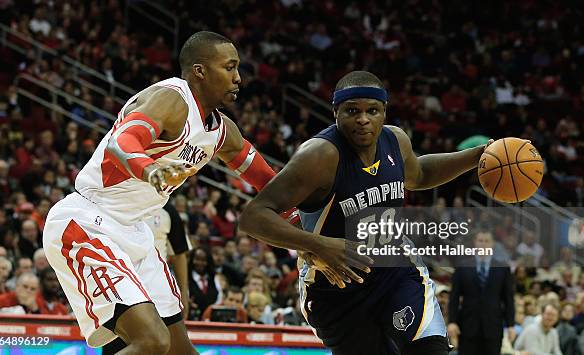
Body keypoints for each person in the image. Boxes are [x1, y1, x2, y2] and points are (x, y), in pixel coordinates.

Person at [43, 31, 297, 354]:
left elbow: (268, 181)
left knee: (179, 351)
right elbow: (121, 142)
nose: (238, 78)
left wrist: (303, 224)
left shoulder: (221, 131)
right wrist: (150, 169)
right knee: (151, 342)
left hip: (136, 230)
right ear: (200, 71)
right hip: (89, 222)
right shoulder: (172, 100)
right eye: (229, 67)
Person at [240, 71, 493, 354]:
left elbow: (420, 173)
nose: (363, 119)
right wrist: (318, 244)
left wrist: (478, 155)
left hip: (396, 274)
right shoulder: (319, 156)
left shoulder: (395, 141)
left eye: (372, 110)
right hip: (336, 292)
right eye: (352, 111)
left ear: (384, 112)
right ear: (336, 112)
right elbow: (254, 216)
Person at [448, 231, 515, 355]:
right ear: (475, 243)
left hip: (493, 327)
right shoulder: (462, 266)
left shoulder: (503, 267)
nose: (483, 244)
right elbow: (454, 297)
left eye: (487, 241)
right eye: (480, 241)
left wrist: (511, 325)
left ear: (493, 244)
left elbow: (508, 299)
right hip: (467, 326)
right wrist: (452, 321)